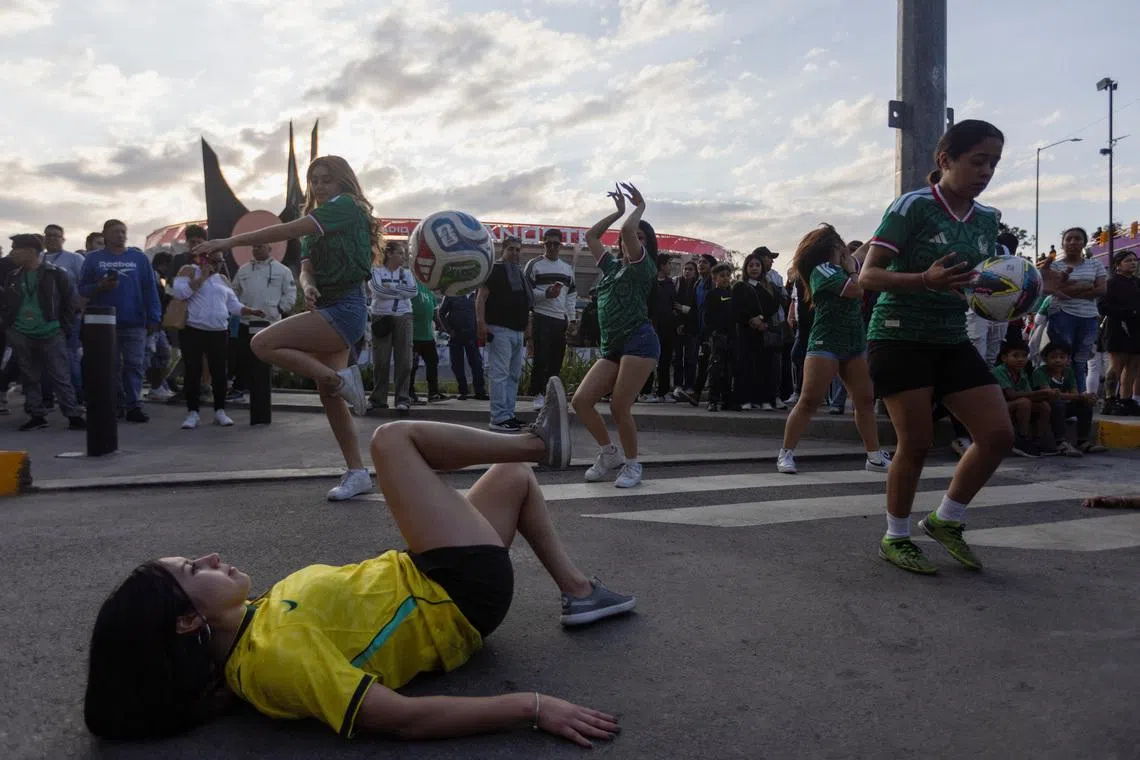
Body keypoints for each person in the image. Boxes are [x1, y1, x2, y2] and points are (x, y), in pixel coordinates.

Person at [84, 377, 634, 747]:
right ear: (187, 621)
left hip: (434, 578)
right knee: (393, 442)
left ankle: (580, 591)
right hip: (454, 595)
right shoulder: (274, 659)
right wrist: (532, 707)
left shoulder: (250, 627)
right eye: (193, 570)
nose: (210, 557)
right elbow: (399, 718)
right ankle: (540, 443)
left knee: (510, 480)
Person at [859, 119, 1012, 575]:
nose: (986, 171)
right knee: (918, 442)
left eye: (994, 163)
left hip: (950, 337)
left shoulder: (988, 219)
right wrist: (923, 280)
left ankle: (947, 520)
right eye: (978, 160)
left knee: (998, 435)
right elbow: (867, 276)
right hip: (898, 334)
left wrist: (1012, 294)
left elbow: (979, 283)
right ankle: (896, 536)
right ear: (946, 159)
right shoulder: (913, 206)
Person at [192, 156, 374, 502]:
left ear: (343, 183)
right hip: (326, 304)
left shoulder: (346, 207)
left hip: (348, 307)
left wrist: (228, 243)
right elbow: (305, 267)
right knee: (329, 397)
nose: (319, 187)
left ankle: (340, 379)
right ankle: (357, 472)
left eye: (327, 180)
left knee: (263, 344)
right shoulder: (318, 222)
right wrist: (307, 286)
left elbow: (288, 230)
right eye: (314, 180)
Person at [777, 225, 891, 474]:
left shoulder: (846, 266)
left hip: (854, 341)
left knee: (864, 400)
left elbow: (862, 252)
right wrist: (851, 270)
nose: (844, 249)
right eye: (840, 244)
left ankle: (874, 456)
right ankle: (786, 453)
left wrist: (884, 232)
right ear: (831, 248)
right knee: (809, 400)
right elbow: (856, 290)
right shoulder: (822, 270)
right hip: (825, 341)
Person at [571, 183, 659, 489]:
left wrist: (638, 209)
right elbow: (591, 237)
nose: (632, 240)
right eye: (631, 237)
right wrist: (619, 211)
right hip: (613, 346)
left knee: (620, 405)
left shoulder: (642, 268)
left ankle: (633, 465)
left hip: (639, 341)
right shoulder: (611, 269)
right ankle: (609, 454)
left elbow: (626, 232)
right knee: (582, 401)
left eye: (640, 237)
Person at [78, 219, 163, 423]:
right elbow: (81, 289)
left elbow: (150, 289)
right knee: (111, 366)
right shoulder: (93, 259)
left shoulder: (139, 258)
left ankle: (134, 405)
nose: (121, 235)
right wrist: (99, 286)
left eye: (123, 231)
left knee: (134, 364)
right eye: (116, 231)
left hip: (135, 321)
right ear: (105, 235)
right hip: (104, 324)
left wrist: (154, 317)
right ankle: (116, 404)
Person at [1, 233, 85, 430]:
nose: (12, 253)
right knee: (30, 376)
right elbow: (6, 303)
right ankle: (36, 415)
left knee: (60, 375)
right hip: (21, 332)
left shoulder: (56, 274)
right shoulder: (13, 276)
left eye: (16, 249)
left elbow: (69, 303)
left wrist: (63, 326)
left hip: (51, 331)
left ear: (31, 252)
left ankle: (72, 414)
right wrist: (10, 326)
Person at [172, 250, 265, 429]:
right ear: (202, 260)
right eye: (214, 261)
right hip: (194, 329)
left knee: (220, 372)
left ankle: (220, 411)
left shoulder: (222, 279)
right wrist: (202, 278)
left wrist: (251, 311)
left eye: (220, 261)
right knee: (193, 371)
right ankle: (193, 413)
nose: (218, 265)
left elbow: (233, 305)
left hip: (219, 330)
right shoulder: (188, 271)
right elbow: (180, 293)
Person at [477, 236, 532, 432]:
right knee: (500, 375)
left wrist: (527, 327)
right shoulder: (496, 269)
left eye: (518, 250)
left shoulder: (519, 273)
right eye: (511, 249)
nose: (515, 253)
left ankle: (508, 414)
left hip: (517, 331)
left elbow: (525, 303)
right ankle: (498, 417)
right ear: (503, 250)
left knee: (513, 376)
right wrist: (481, 323)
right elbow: (481, 297)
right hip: (499, 329)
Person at [230, 242, 296, 399]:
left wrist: (278, 309)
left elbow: (290, 294)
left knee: (264, 358)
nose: (256, 249)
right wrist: (239, 308)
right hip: (246, 321)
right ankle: (239, 388)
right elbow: (233, 292)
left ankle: (262, 392)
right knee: (242, 356)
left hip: (269, 323)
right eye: (254, 247)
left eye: (260, 246)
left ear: (270, 249)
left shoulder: (283, 271)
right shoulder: (243, 269)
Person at [1045, 227, 1107, 393]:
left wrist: (1070, 289)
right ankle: (1060, 398)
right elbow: (1054, 290)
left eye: (1077, 239)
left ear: (1084, 243)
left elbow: (1102, 289)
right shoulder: (1056, 266)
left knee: (1080, 361)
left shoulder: (1096, 264)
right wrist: (1086, 286)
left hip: (1089, 318)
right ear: (1062, 243)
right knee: (1061, 360)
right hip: (1062, 315)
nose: (1073, 242)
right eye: (1069, 239)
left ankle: (1079, 398)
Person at [524, 229, 576, 411]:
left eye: (556, 244)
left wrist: (572, 319)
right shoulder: (535, 264)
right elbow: (527, 292)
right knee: (541, 358)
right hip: (541, 316)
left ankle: (549, 395)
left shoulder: (567, 268)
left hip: (559, 319)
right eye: (548, 244)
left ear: (561, 245)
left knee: (556, 360)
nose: (552, 247)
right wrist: (546, 293)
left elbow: (571, 295)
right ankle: (537, 394)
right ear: (543, 244)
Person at [368, 240, 417, 411]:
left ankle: (402, 399)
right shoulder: (376, 271)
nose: (404, 257)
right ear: (389, 254)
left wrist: (391, 288)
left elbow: (413, 292)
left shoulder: (407, 273)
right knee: (381, 360)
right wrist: (400, 291)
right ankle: (378, 399)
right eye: (400, 253)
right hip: (381, 316)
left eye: (404, 254)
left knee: (404, 360)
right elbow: (377, 291)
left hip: (404, 316)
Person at [1032, 340, 1104, 456]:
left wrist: (1085, 397)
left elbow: (1074, 394)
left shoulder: (1068, 372)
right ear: (1045, 359)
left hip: (1062, 405)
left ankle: (1083, 441)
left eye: (1062, 357)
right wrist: (1079, 396)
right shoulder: (1040, 372)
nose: (1058, 360)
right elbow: (1049, 394)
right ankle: (1061, 442)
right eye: (1053, 357)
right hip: (1046, 407)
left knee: (1085, 405)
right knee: (1057, 403)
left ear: (1068, 359)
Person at [41, 224, 85, 402]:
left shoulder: (75, 259)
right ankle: (47, 399)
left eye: (56, 236)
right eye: (48, 235)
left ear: (63, 239)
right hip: (43, 318)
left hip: (69, 317)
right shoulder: (38, 258)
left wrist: (79, 308)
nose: (52, 238)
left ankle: (78, 398)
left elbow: (84, 285)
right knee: (44, 358)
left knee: (69, 356)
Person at [992, 338, 1052, 458]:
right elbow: (1011, 395)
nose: (1020, 359)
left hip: (1013, 406)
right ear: (1004, 358)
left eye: (1024, 356)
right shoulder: (1000, 371)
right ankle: (1022, 439)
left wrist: (1046, 395)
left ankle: (1038, 440)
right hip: (998, 408)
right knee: (1024, 402)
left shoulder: (1022, 372)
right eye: (1015, 356)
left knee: (1044, 406)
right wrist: (1040, 393)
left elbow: (1028, 393)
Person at [1099, 249, 1140, 416]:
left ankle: (1126, 399)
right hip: (1118, 328)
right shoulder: (1111, 283)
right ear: (1118, 265)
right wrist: (1126, 312)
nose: (1133, 263)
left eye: (1134, 260)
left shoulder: (1138, 282)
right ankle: (1109, 400)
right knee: (1116, 365)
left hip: (1137, 330)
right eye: (1128, 260)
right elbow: (1102, 306)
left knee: (1133, 366)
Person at [698, 263, 736, 411]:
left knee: (729, 369)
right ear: (715, 278)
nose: (726, 278)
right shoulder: (712, 295)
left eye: (728, 275)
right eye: (722, 276)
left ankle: (727, 399)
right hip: (718, 336)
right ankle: (713, 400)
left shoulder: (732, 294)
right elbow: (707, 317)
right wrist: (711, 333)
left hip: (732, 335)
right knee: (716, 368)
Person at [440, 290, 487, 400]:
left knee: (477, 364)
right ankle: (463, 391)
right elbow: (441, 313)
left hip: (472, 336)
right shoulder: (451, 294)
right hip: (456, 336)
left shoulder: (477, 295)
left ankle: (480, 392)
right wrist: (449, 330)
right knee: (457, 365)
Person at [643, 254, 677, 402]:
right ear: (662, 265)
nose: (670, 267)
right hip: (652, 325)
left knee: (665, 360)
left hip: (667, 327)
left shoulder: (670, 284)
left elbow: (673, 303)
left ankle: (663, 391)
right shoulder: (650, 282)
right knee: (649, 359)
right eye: (669, 263)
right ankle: (646, 392)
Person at [408, 280, 447, 404]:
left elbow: (435, 312)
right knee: (412, 366)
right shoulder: (412, 285)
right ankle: (409, 393)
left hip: (428, 336)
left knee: (433, 362)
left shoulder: (429, 290)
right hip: (413, 335)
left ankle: (433, 392)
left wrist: (441, 326)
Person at [672, 259, 700, 401]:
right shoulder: (677, 284)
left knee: (691, 358)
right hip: (678, 328)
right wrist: (679, 322)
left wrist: (685, 309)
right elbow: (673, 305)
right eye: (685, 269)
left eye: (690, 269)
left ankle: (689, 385)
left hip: (692, 328)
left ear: (695, 272)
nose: (687, 271)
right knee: (678, 358)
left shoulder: (698, 286)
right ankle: (678, 385)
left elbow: (697, 309)